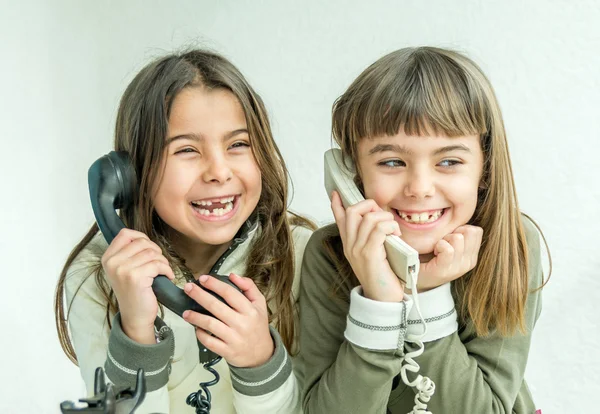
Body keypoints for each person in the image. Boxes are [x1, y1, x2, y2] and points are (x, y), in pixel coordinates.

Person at [55, 49, 315, 414]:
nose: (218, 172)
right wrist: (136, 333)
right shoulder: (97, 276)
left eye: (238, 144)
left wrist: (260, 362)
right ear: (128, 175)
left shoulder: (302, 256)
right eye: (187, 150)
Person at [299, 46, 551, 413]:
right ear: (352, 171)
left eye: (448, 161)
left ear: (485, 169)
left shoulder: (511, 245)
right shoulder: (328, 253)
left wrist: (426, 296)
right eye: (391, 161)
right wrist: (381, 301)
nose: (419, 187)